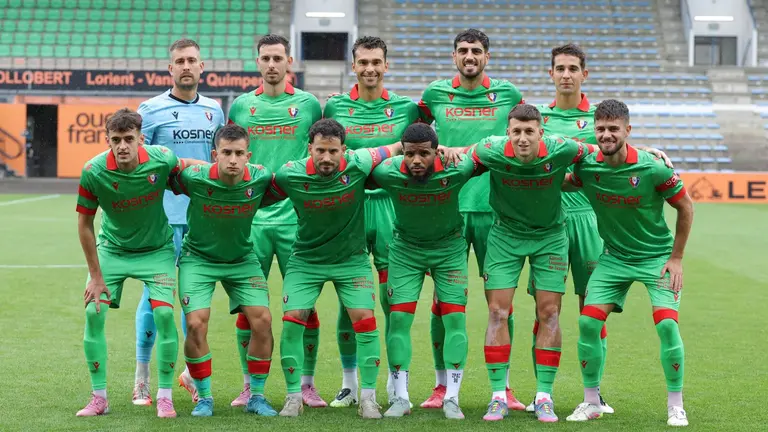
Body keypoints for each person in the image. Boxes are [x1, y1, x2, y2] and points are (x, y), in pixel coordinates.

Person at [563, 99, 693, 427]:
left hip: (657, 259)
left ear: (627, 131)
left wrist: (676, 258)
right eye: (601, 129)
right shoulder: (587, 166)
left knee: (666, 325)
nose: (606, 135)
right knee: (589, 323)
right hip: (614, 259)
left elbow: (686, 206)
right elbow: (564, 177)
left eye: (613, 129)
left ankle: (676, 405)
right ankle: (592, 401)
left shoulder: (653, 167)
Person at [417, 28, 526, 410]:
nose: (469, 56)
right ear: (453, 57)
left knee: (502, 304)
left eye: (476, 51)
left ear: (487, 57)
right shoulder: (434, 95)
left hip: (496, 212)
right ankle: (440, 385)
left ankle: (505, 387)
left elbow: (528, 131)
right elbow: (413, 133)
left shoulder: (509, 95)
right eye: (462, 50)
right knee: (442, 303)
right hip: (447, 210)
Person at [465, 104, 596, 422]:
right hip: (505, 236)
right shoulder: (491, 149)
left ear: (541, 132)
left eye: (529, 132)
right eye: (516, 132)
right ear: (507, 133)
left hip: (550, 236)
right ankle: (498, 396)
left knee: (549, 312)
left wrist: (647, 151)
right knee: (498, 312)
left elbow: (599, 150)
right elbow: (462, 159)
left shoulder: (562, 147)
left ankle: (544, 397)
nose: (523, 138)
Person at [74, 109, 203, 418]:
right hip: (113, 251)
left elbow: (189, 166)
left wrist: (224, 170)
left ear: (140, 139)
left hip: (156, 250)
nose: (122, 146)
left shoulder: (160, 159)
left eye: (128, 139)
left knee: (162, 316)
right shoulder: (93, 171)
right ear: (107, 140)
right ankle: (99, 398)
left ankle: (165, 396)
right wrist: (95, 276)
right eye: (115, 140)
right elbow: (84, 224)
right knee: (94, 312)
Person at [270, 119, 402, 419]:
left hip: (351, 261)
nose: (327, 158)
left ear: (345, 149)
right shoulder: (291, 173)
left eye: (333, 151)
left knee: (365, 321)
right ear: (310, 149)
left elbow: (395, 147)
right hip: (306, 260)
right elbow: (260, 192)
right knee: (292, 321)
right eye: (320, 151)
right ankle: (293, 397)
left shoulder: (359, 162)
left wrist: (441, 148)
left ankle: (368, 398)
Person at [323, 35, 423, 408]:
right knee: (350, 301)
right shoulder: (335, 105)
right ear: (353, 66)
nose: (369, 68)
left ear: (386, 65)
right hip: (347, 208)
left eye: (376, 62)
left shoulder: (405, 109)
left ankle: (399, 387)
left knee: (392, 299)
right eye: (362, 62)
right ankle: (350, 384)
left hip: (391, 210)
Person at [227, 33, 324, 407]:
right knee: (248, 307)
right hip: (250, 222)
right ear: (258, 62)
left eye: (277, 58)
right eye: (265, 58)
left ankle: (307, 384)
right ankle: (250, 384)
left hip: (296, 221)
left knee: (304, 307)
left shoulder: (309, 105)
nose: (271, 64)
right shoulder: (241, 107)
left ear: (290, 62)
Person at [134, 38, 225, 406]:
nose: (186, 66)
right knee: (155, 296)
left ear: (203, 67)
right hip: (164, 219)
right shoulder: (150, 109)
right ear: (169, 68)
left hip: (204, 218)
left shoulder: (215, 110)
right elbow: (140, 163)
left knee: (197, 300)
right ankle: (142, 377)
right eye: (179, 61)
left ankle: (188, 373)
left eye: (192, 60)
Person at [369, 123, 481, 420]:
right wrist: (392, 149)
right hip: (406, 251)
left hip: (450, 250)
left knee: (455, 318)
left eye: (424, 154)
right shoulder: (387, 171)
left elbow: (486, 153)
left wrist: (460, 150)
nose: (416, 160)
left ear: (437, 151)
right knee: (399, 319)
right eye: (410, 154)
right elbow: (357, 165)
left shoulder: (457, 168)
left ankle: (452, 398)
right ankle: (401, 397)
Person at [168, 124, 279, 417]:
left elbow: (286, 189)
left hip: (242, 259)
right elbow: (156, 178)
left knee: (263, 320)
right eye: (226, 153)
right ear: (214, 154)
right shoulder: (194, 178)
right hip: (198, 258)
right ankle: (204, 396)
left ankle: (256, 395)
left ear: (248, 156)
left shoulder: (261, 177)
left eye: (239, 153)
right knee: (195, 324)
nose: (232, 159)